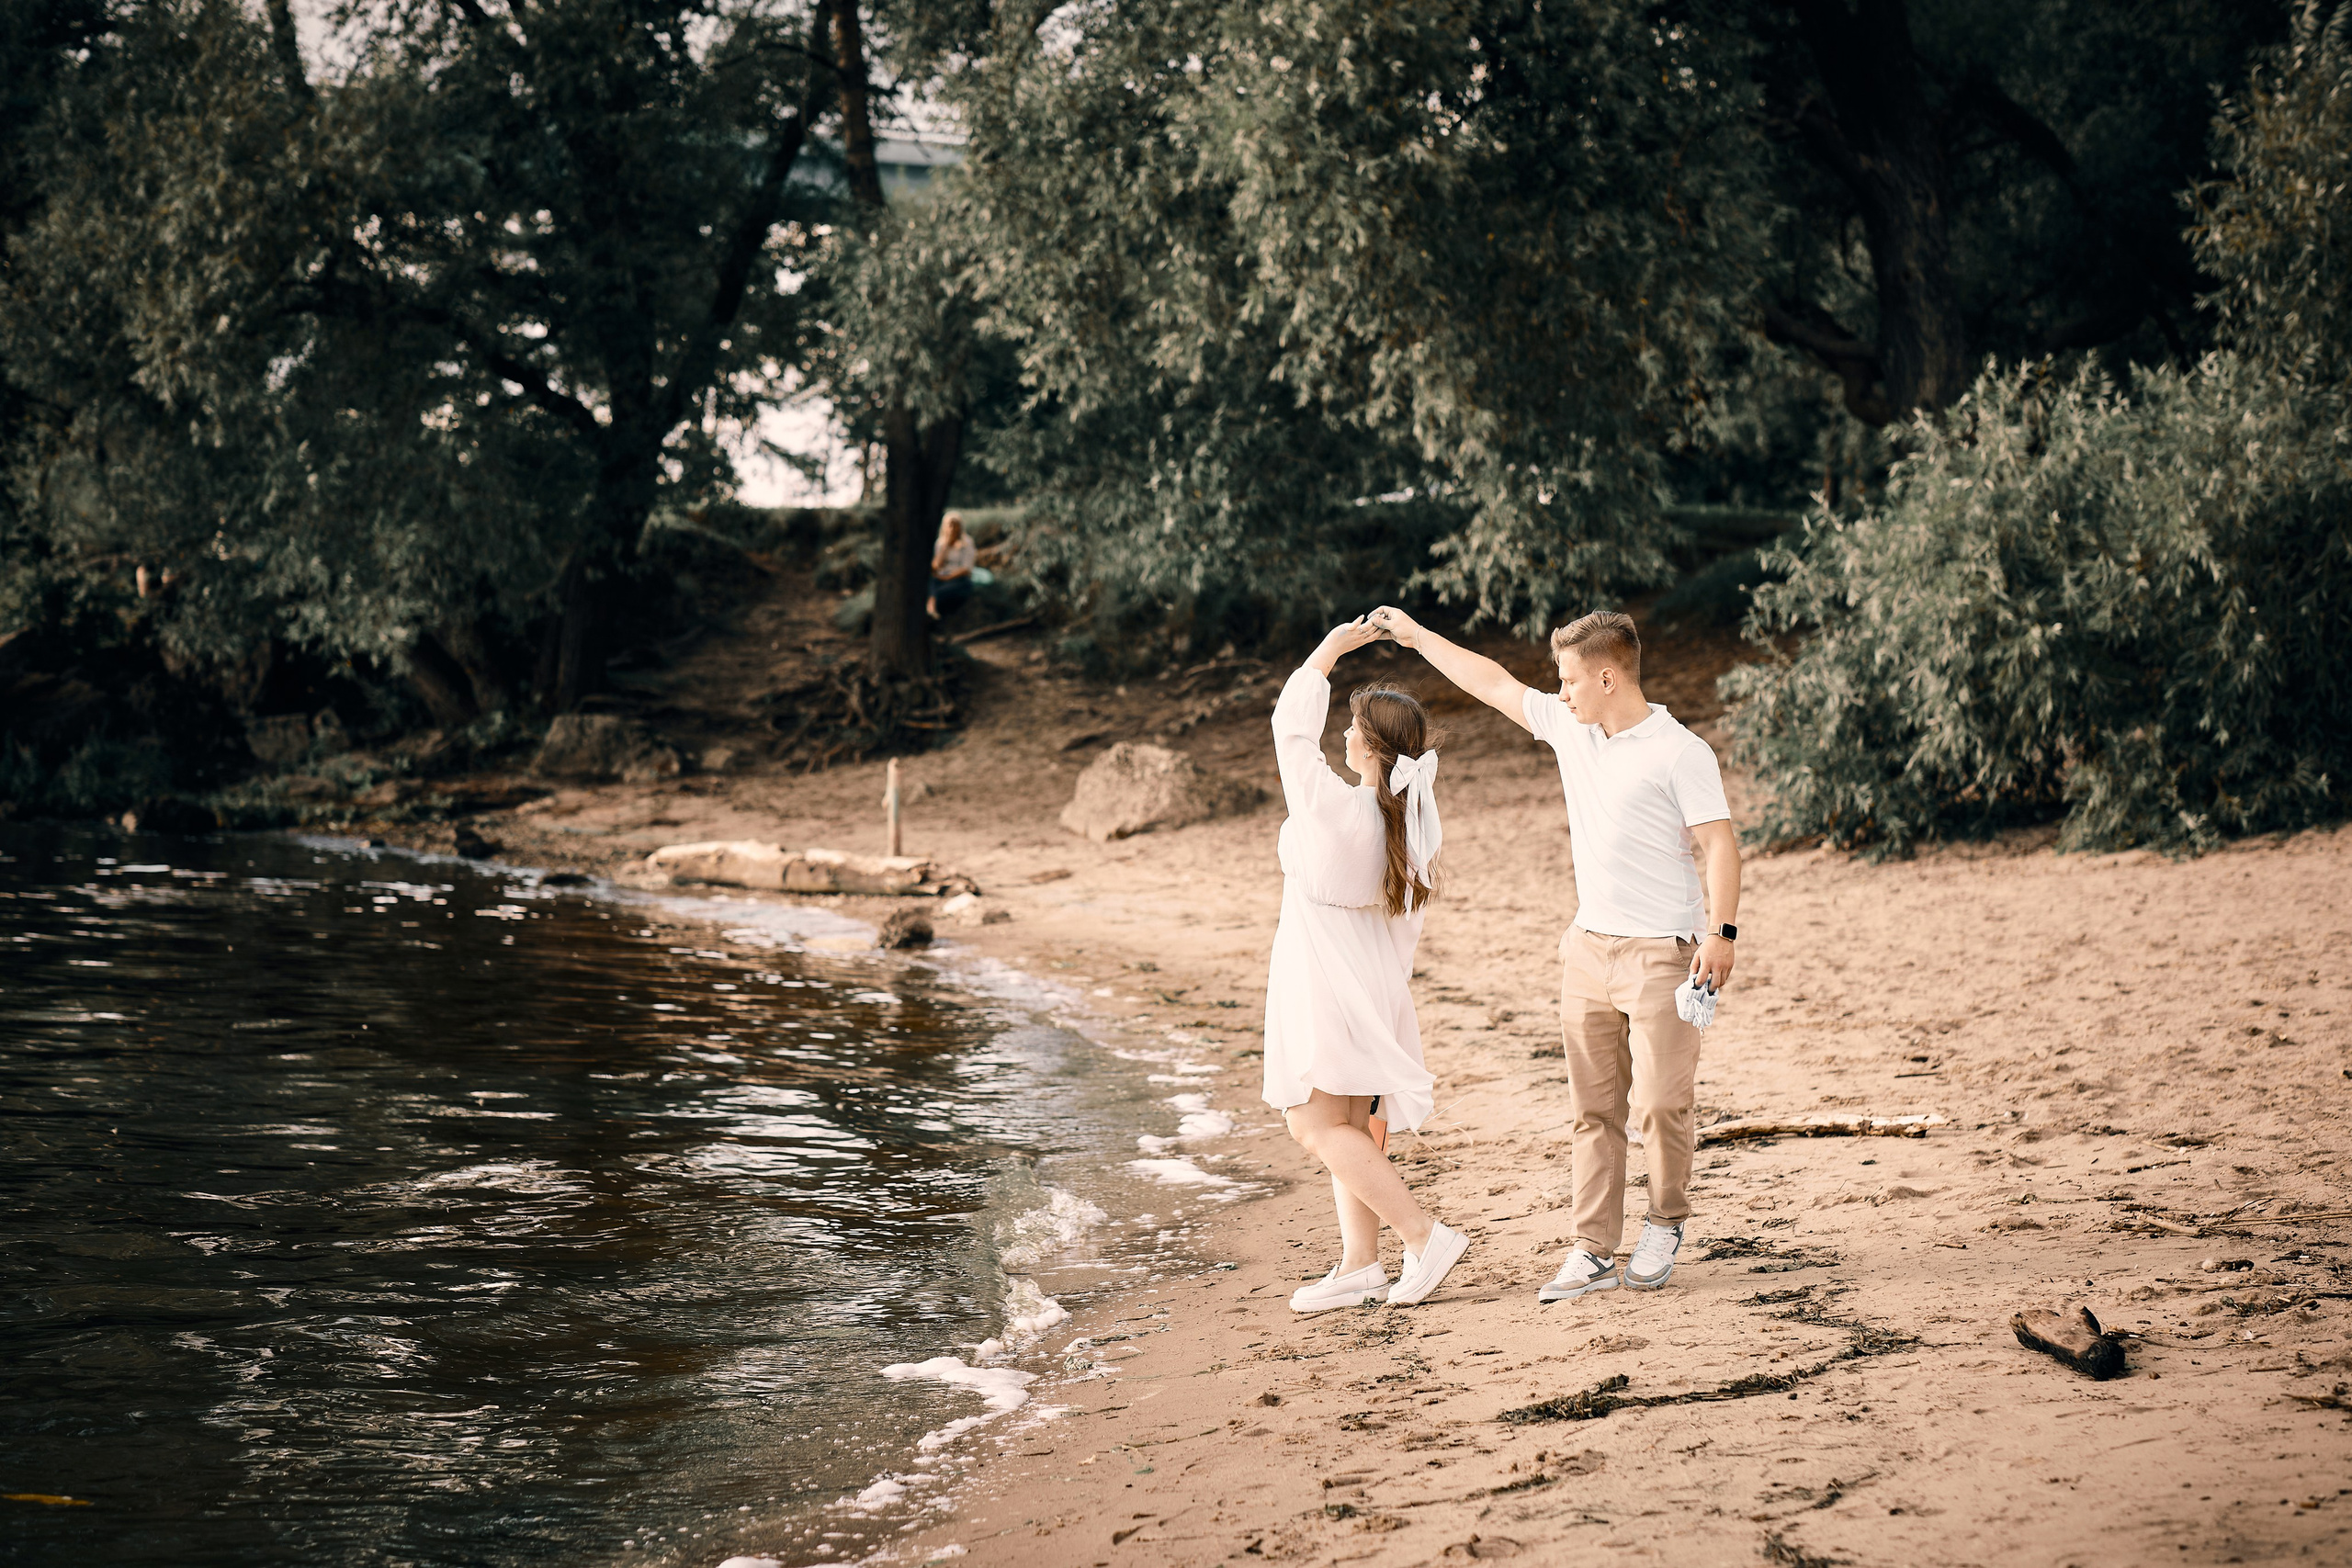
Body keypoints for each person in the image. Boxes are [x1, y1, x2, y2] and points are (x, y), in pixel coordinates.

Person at [1371, 605, 1739, 1302]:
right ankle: (1593, 1249)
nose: (1560, 691)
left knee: (1661, 1104)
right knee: (1593, 1110)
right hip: (1587, 951)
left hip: (1665, 952)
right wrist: (1416, 635)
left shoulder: (1680, 751)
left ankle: (1665, 1220)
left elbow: (1720, 844)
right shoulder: (1574, 732)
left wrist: (1722, 934)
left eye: (1570, 679)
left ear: (1607, 676)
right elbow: (1493, 683)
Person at [1262, 615, 1471, 1313]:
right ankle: (1359, 1264)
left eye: (1353, 727)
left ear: (1373, 747)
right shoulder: (1400, 828)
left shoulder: (1332, 809)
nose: (1342, 736)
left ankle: (1424, 1234)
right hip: (1365, 982)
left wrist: (1328, 649)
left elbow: (1290, 729)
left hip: (1322, 977)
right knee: (1348, 1122)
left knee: (1314, 1126)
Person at [927, 512, 977, 621]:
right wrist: (946, 546)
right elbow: (935, 566)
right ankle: (931, 609)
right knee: (929, 583)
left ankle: (932, 608)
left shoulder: (967, 543)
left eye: (955, 525)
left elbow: (966, 569)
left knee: (938, 593)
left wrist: (946, 578)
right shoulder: (940, 543)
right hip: (941, 577)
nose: (953, 528)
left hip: (958, 579)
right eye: (950, 525)